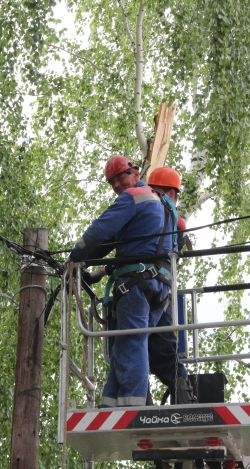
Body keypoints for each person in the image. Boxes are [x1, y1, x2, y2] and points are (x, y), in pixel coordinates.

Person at [68, 156, 178, 407]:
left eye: (121, 178)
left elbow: (98, 233)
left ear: (136, 173)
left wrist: (74, 260)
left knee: (131, 344)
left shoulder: (131, 198)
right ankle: (110, 405)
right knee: (124, 346)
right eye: (112, 182)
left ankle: (133, 407)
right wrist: (97, 268)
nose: (117, 185)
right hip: (161, 287)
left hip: (136, 285)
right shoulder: (166, 205)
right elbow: (128, 243)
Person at [146, 166, 195, 405]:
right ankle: (183, 396)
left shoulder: (149, 209)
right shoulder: (177, 220)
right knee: (166, 347)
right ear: (174, 192)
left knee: (134, 344)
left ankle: (140, 401)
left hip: (145, 284)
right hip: (165, 288)